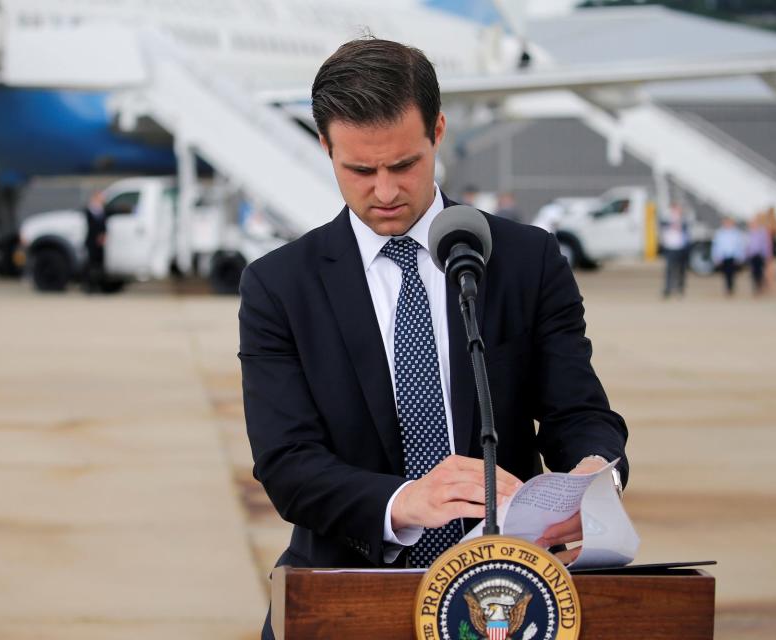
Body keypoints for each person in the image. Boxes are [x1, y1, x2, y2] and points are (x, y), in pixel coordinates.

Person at [238, 38, 628, 639]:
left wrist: (594, 476)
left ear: (438, 131)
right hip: (344, 593)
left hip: (505, 599)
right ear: (325, 147)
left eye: (404, 165)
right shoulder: (278, 286)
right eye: (360, 170)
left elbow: (577, 411)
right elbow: (287, 462)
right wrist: (404, 502)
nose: (386, 191)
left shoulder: (527, 260)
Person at [660, 203, 689, 298]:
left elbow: (687, 230)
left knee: (681, 270)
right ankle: (668, 289)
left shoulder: (683, 220)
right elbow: (662, 225)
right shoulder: (667, 219)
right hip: (670, 247)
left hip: (681, 247)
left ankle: (680, 288)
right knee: (669, 269)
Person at [711, 217, 745, 296]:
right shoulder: (720, 233)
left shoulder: (736, 233)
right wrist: (716, 256)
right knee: (726, 274)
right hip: (724, 256)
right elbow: (716, 246)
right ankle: (727, 289)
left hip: (733, 256)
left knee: (732, 274)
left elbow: (740, 246)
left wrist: (740, 256)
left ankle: (731, 288)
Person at [83, 191, 107, 293]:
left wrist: (103, 235)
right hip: (91, 241)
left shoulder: (102, 211)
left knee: (99, 265)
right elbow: (91, 226)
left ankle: (98, 285)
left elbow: (104, 226)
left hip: (100, 242)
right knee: (90, 264)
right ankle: (89, 286)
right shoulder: (89, 210)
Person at [745, 216, 772, 296]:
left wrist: (767, 254)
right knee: (753, 272)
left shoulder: (762, 233)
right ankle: (756, 288)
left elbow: (765, 245)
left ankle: (760, 286)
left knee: (760, 272)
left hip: (760, 255)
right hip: (752, 255)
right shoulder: (748, 233)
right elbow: (747, 245)